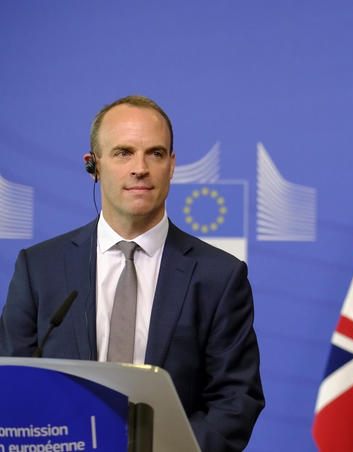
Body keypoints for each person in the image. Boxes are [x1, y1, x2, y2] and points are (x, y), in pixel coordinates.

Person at [0, 95, 264, 452]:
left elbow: (236, 399)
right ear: (93, 165)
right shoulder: (39, 268)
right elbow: (13, 385)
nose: (140, 167)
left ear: (171, 165)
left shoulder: (220, 276)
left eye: (154, 153)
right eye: (123, 153)